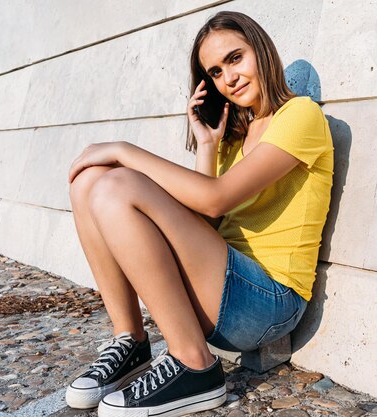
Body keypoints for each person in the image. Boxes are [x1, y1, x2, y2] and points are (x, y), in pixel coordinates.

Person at [65, 10, 333, 417]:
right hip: (225, 288)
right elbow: (204, 222)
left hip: (271, 301)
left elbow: (214, 199)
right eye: (215, 71)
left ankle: (196, 365)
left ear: (261, 50)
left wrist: (123, 150)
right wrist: (207, 145)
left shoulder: (301, 116)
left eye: (236, 58)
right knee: (89, 183)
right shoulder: (235, 136)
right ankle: (132, 341)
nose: (230, 77)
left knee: (116, 183)